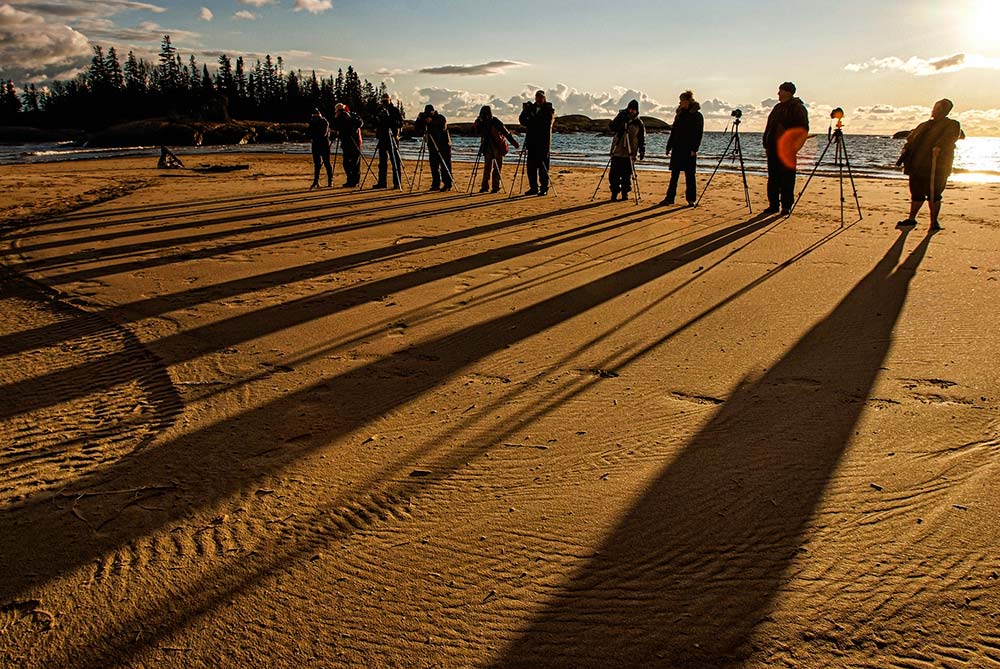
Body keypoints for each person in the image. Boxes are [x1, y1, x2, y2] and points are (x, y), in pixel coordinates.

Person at [895, 98, 964, 230]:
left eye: (938, 108)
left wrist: (939, 146)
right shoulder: (924, 125)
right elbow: (911, 138)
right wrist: (906, 148)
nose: (934, 111)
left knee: (934, 194)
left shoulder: (952, 124)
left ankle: (934, 222)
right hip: (917, 165)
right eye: (934, 108)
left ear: (945, 111)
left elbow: (950, 137)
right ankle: (911, 219)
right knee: (916, 193)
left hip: (937, 166)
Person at [762, 82, 809, 214]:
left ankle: (786, 206)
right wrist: (766, 142)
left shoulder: (798, 108)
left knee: (787, 178)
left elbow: (803, 130)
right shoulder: (777, 108)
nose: (778, 93)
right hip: (773, 147)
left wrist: (795, 147)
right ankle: (773, 204)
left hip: (788, 148)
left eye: (781, 91)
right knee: (773, 177)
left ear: (788, 92)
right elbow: (769, 126)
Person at [662, 90, 704, 206]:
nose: (680, 103)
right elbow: (674, 132)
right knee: (674, 175)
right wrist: (669, 146)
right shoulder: (679, 115)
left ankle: (691, 199)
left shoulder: (697, 116)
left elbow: (698, 134)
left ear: (688, 101)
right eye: (680, 101)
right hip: (677, 148)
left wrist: (694, 149)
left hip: (689, 149)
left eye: (681, 101)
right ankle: (670, 198)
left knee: (690, 175)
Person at [472, 105, 519, 193]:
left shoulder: (483, 121)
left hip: (489, 146)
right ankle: (495, 187)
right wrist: (514, 143)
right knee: (496, 167)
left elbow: (477, 132)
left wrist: (477, 124)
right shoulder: (494, 121)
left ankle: (485, 186)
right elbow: (506, 132)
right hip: (496, 146)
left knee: (488, 167)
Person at [518, 90, 555, 195]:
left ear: (544, 98)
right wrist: (525, 111)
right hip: (531, 141)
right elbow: (522, 120)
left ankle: (544, 188)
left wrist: (531, 120)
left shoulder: (549, 109)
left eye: (541, 97)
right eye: (537, 97)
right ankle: (533, 187)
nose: (538, 99)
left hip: (543, 143)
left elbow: (546, 123)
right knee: (531, 167)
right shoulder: (531, 108)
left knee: (543, 167)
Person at [608, 99, 645, 201]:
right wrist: (620, 117)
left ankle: (625, 193)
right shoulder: (621, 117)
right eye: (630, 109)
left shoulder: (638, 123)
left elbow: (641, 138)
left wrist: (642, 150)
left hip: (630, 153)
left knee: (626, 175)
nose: (632, 111)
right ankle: (614, 193)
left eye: (634, 110)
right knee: (614, 175)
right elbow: (612, 127)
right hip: (617, 150)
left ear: (637, 111)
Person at [414, 104, 453, 191]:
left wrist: (431, 122)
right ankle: (435, 184)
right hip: (432, 146)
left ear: (433, 111)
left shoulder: (440, 118)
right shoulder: (425, 119)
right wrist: (419, 119)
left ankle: (447, 184)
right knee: (434, 166)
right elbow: (417, 129)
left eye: (429, 112)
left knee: (445, 165)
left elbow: (442, 127)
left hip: (444, 145)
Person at [372, 93, 404, 189]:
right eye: (383, 101)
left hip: (393, 137)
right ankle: (382, 183)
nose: (384, 103)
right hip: (382, 137)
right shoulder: (379, 110)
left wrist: (389, 118)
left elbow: (400, 123)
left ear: (390, 100)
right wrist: (376, 119)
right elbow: (375, 123)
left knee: (395, 161)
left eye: (386, 101)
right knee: (382, 162)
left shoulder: (394, 110)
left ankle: (397, 183)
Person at [333, 102, 364, 187]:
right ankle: (350, 180)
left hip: (355, 142)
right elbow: (335, 125)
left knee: (355, 163)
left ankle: (355, 181)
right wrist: (337, 118)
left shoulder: (353, 115)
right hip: (346, 142)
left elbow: (360, 123)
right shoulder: (340, 117)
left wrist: (350, 120)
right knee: (346, 163)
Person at [307, 108, 333, 188]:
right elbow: (309, 132)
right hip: (315, 145)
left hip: (324, 145)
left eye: (315, 116)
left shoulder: (324, 122)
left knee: (326, 163)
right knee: (317, 164)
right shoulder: (312, 122)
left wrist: (313, 135)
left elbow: (323, 133)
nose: (313, 117)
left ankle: (330, 181)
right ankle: (316, 181)